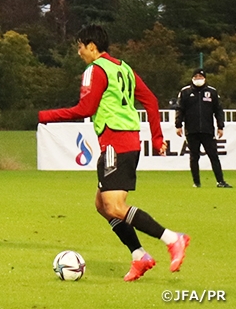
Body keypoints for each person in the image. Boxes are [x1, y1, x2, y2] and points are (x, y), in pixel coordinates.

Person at [38, 25, 190, 282]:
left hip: (116, 144)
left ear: (92, 47)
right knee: (102, 205)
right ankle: (139, 255)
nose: (79, 52)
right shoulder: (123, 68)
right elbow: (151, 101)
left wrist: (46, 116)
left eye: (80, 46)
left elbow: (85, 108)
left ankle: (173, 239)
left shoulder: (95, 70)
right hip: (127, 142)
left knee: (115, 206)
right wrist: (156, 137)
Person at [175, 68, 232, 188]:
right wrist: (178, 125)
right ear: (192, 78)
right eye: (196, 77)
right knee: (194, 157)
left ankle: (220, 181)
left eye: (200, 77)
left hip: (207, 130)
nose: (198, 79)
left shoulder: (212, 92)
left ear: (205, 78)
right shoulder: (185, 92)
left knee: (213, 156)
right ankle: (196, 182)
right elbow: (180, 109)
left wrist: (220, 126)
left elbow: (218, 110)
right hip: (191, 130)